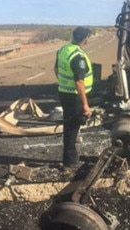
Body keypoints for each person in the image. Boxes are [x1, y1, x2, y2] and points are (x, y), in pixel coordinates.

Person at [54, 26, 94, 167]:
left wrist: (64, 83)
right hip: (75, 96)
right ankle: (70, 161)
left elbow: (56, 69)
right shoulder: (78, 57)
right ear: (85, 40)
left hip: (64, 92)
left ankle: (71, 157)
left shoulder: (64, 50)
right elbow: (79, 82)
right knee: (72, 128)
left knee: (70, 125)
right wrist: (85, 105)